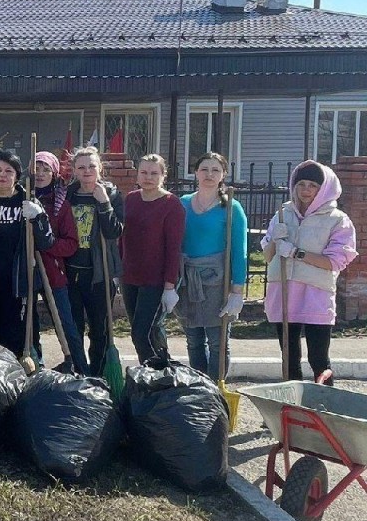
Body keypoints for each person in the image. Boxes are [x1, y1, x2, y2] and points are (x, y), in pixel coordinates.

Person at [263, 160, 357, 384]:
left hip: (316, 293)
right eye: (301, 184)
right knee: (289, 357)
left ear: (324, 188)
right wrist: (275, 239)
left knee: (319, 359)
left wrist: (296, 252)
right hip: (283, 291)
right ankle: (291, 409)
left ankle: (324, 408)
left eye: (312, 185)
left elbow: (335, 261)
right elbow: (268, 256)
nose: (305, 190)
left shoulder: (337, 220)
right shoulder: (283, 213)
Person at [176, 151, 248, 380]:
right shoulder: (182, 204)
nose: (209, 174)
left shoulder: (231, 208)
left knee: (218, 342)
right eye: (204, 169)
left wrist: (237, 291)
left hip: (217, 281)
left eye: (215, 170)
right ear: (196, 172)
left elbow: (240, 251)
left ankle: (217, 388)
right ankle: (200, 388)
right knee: (193, 339)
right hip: (188, 280)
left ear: (223, 175)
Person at [0, 149, 53, 362]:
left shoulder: (27, 200)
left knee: (23, 334)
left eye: (9, 171)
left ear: (17, 176)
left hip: (19, 280)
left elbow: (46, 241)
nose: (3, 174)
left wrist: (38, 217)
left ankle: (30, 376)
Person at [64, 147, 125, 377]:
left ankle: (98, 375)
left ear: (100, 168)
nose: (87, 170)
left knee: (100, 330)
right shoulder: (68, 195)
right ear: (74, 171)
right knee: (74, 328)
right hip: (71, 272)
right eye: (81, 167)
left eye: (91, 166)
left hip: (100, 273)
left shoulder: (112, 194)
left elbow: (114, 232)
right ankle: (78, 373)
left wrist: (103, 203)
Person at [120, 154, 185, 365]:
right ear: (137, 174)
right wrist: (118, 271)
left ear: (163, 175)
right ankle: (158, 374)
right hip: (129, 277)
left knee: (142, 334)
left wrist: (169, 286)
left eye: (154, 173)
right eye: (144, 172)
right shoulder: (130, 199)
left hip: (155, 281)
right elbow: (122, 238)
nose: (148, 177)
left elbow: (173, 247)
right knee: (145, 332)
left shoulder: (171, 204)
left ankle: (156, 377)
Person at [31, 150, 87, 374]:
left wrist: (47, 245)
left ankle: (81, 369)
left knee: (66, 324)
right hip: (25, 270)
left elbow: (71, 243)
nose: (40, 174)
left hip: (53, 272)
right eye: (36, 168)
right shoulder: (21, 197)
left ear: (54, 174)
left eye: (46, 170)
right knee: (29, 325)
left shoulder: (60, 204)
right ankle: (35, 368)